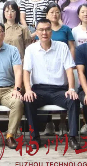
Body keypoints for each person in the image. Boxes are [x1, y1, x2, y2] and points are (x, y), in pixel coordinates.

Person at [23, 19, 81, 150]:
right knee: (28, 100)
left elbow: (69, 70)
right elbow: (26, 71)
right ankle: (35, 137)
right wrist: (28, 90)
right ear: (36, 32)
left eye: (47, 29)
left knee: (73, 100)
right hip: (39, 89)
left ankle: (72, 137)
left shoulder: (62, 46)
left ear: (51, 31)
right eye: (41, 30)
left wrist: (71, 89)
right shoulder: (31, 49)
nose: (44, 32)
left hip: (59, 90)